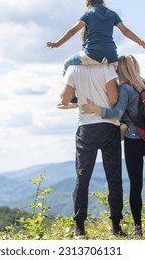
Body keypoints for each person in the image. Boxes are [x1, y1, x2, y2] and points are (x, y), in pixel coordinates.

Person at [82, 54, 145, 238]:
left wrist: (95, 109)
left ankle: (138, 229)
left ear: (120, 69)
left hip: (133, 141)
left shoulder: (125, 89)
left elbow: (116, 113)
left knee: (135, 186)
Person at [47, 0, 145, 108]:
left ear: (88, 0)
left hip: (91, 54)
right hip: (111, 57)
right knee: (119, 78)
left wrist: (57, 44)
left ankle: (73, 97)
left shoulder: (88, 14)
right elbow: (126, 31)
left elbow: (72, 31)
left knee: (67, 63)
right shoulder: (112, 14)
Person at [60, 63, 125, 239]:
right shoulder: (107, 68)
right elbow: (113, 100)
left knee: (82, 177)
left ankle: (80, 228)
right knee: (114, 177)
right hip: (109, 127)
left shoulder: (73, 68)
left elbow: (64, 99)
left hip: (86, 128)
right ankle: (116, 227)